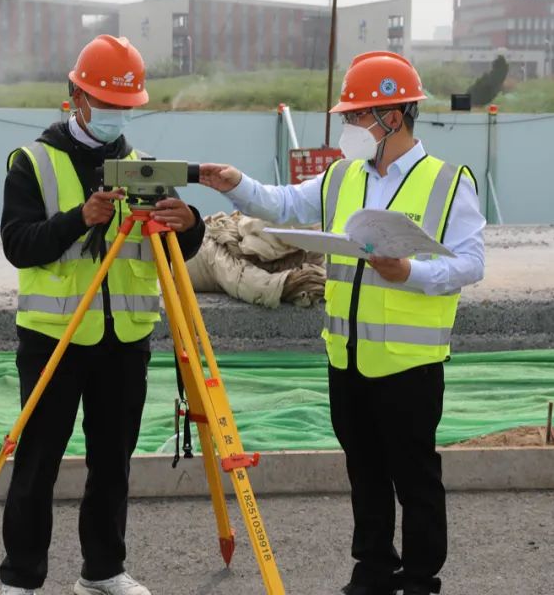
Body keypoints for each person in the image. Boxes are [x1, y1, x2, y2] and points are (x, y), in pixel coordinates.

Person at [199, 51, 485, 595]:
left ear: (392, 117)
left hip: (409, 363)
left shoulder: (448, 182)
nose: (349, 126)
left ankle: (420, 577)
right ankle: (373, 568)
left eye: (356, 116)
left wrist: (410, 272)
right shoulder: (341, 176)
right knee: (364, 470)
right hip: (347, 355)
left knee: (415, 477)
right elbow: (284, 205)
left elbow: (471, 264)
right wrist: (236, 184)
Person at [0, 34, 205, 595]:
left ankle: (103, 571)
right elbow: (18, 244)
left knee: (113, 461)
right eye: (108, 103)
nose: (117, 115)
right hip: (54, 337)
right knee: (38, 462)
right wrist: (79, 218)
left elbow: (175, 252)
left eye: (125, 105)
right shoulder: (33, 163)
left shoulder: (142, 168)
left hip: (124, 339)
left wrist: (191, 224)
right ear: (77, 98)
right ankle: (21, 579)